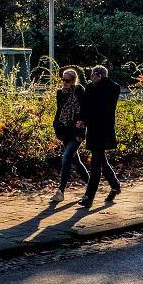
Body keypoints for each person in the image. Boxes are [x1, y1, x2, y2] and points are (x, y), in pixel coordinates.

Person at [78, 64, 121, 208]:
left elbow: (106, 105)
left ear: (99, 75)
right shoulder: (90, 88)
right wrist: (82, 120)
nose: (90, 77)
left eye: (92, 74)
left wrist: (102, 79)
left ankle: (88, 197)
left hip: (104, 129)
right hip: (92, 129)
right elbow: (85, 106)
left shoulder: (112, 88)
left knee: (96, 163)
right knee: (100, 160)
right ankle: (115, 186)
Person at [51, 68, 89, 203]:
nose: (65, 82)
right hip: (64, 130)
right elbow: (59, 110)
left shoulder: (79, 91)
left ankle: (60, 191)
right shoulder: (60, 93)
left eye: (68, 80)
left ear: (74, 80)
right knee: (76, 162)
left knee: (66, 157)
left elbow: (85, 109)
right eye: (63, 80)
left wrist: (83, 123)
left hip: (77, 131)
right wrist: (55, 124)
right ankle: (91, 186)